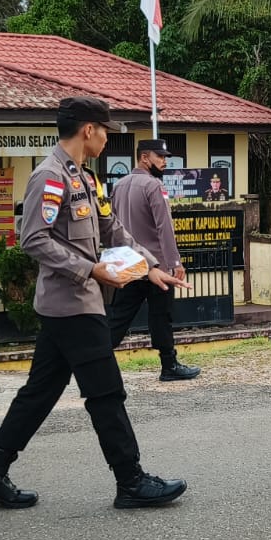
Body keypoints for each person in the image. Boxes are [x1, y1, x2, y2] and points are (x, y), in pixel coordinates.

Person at [0, 96, 190, 510]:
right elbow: (33, 239)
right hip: (72, 302)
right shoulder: (49, 177)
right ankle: (131, 480)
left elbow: (112, 227)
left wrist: (151, 266)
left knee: (40, 392)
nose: (107, 139)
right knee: (106, 393)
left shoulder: (83, 177)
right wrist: (89, 270)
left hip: (75, 302)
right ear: (89, 130)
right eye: (105, 131)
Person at [108, 138, 200, 381]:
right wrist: (175, 262)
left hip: (129, 261)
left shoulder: (119, 185)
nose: (164, 161)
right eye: (160, 156)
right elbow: (164, 227)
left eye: (165, 156)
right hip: (157, 264)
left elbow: (113, 225)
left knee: (119, 316)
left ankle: (97, 359)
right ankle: (168, 365)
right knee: (161, 316)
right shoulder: (153, 186)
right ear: (144, 157)